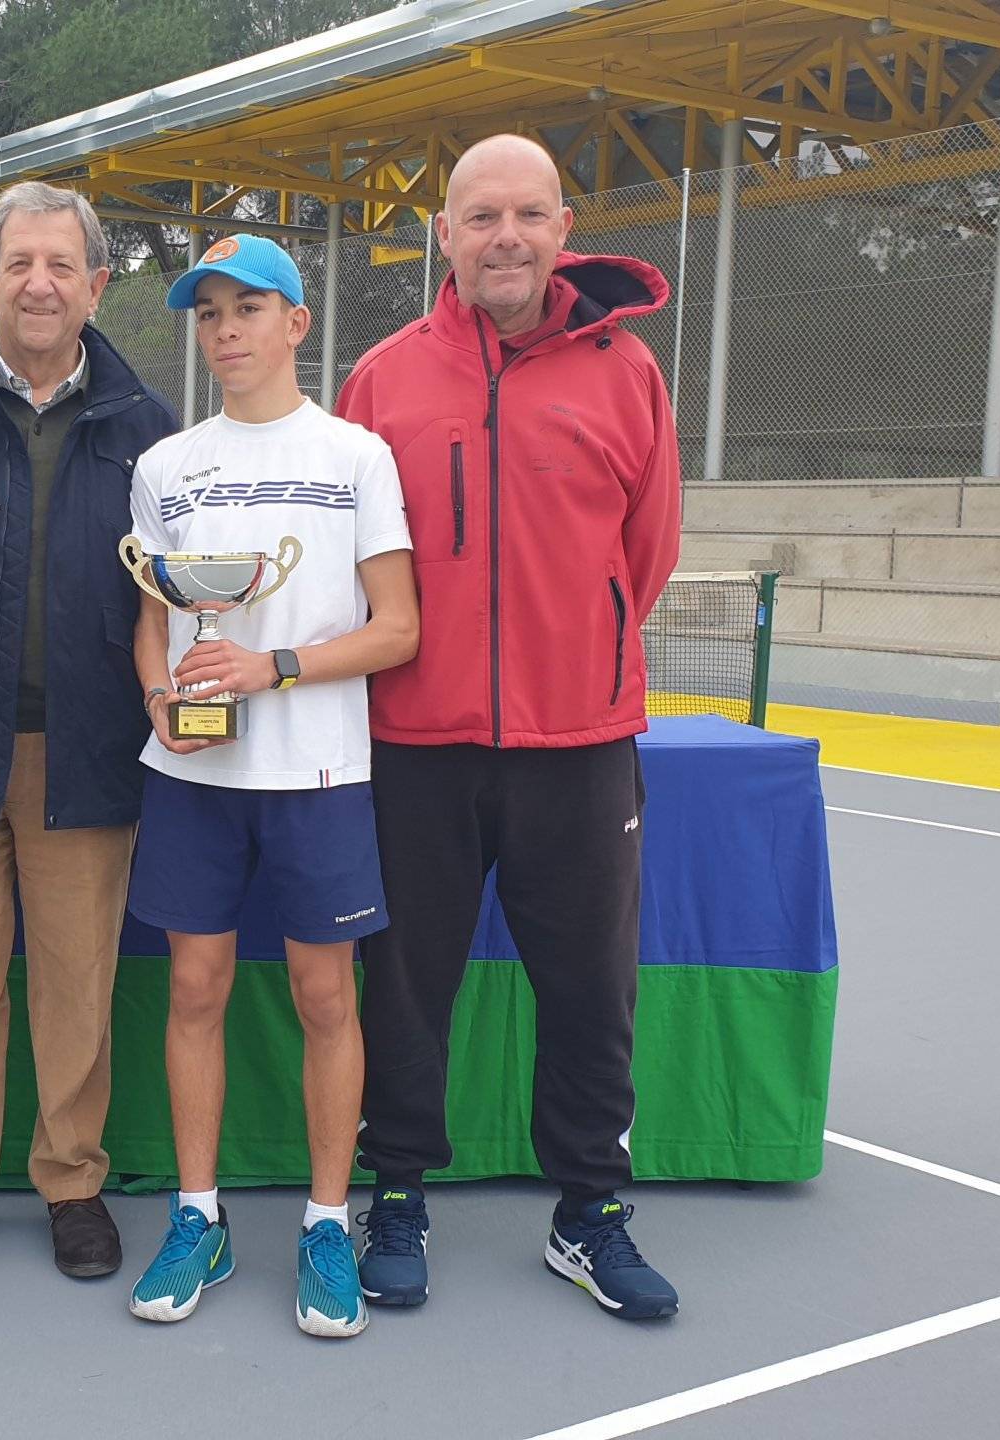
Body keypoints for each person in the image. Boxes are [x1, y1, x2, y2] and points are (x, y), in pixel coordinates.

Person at [338, 135, 684, 1320]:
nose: (505, 238)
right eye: (480, 216)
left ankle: (588, 1213)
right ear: (443, 234)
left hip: (579, 749)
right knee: (404, 984)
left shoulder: (629, 372)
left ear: (562, 226)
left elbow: (645, 555)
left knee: (591, 989)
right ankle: (396, 1196)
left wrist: (571, 658)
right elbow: (351, 567)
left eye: (527, 215)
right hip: (415, 747)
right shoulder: (382, 378)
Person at [118, 234, 417, 1338]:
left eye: (249, 308)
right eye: (209, 314)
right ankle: (198, 1215)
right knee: (193, 993)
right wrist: (161, 699)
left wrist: (273, 667)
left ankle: (326, 1222)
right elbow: (151, 621)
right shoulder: (165, 467)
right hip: (193, 775)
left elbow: (399, 629)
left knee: (324, 999)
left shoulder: (356, 456)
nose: (226, 330)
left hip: (321, 772)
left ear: (297, 323)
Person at [0, 183, 177, 1283]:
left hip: (92, 761)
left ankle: (71, 1182)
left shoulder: (151, 431)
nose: (39, 282)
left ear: (98, 284)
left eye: (62, 264)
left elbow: (176, 601)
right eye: (18, 262)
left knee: (77, 990)